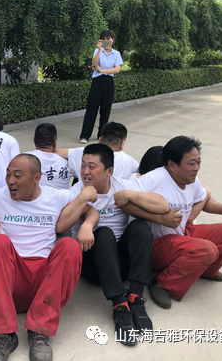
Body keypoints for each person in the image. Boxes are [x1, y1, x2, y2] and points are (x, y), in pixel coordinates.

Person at [0, 154, 99, 361]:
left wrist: (87, 227)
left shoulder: (55, 196)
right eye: (8, 174)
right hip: (11, 278)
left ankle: (39, 331)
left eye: (17, 176)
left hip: (45, 283)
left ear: (37, 178)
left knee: (69, 245)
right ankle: (4, 334)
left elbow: (91, 211)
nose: (10, 181)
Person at [122, 136, 222, 309]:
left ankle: (206, 270)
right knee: (206, 249)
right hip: (155, 247)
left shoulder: (190, 180)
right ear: (172, 165)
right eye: (191, 163)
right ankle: (162, 284)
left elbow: (202, 199)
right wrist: (159, 218)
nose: (196, 168)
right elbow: (123, 202)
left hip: (179, 236)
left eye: (198, 162)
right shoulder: (153, 180)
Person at [70, 144, 168, 345]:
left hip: (121, 265)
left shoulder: (122, 186)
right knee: (104, 234)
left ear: (109, 171)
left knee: (140, 227)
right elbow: (60, 223)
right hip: (93, 266)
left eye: (92, 166)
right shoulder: (76, 192)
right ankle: (119, 306)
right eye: (83, 165)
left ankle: (135, 297)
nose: (85, 171)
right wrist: (85, 220)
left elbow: (163, 204)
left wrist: (131, 196)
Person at [79, 30, 124, 144]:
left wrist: (103, 70)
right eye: (104, 39)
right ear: (101, 40)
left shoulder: (116, 54)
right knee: (92, 108)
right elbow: (94, 63)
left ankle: (102, 136)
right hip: (97, 81)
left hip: (109, 82)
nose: (107, 41)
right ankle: (85, 135)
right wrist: (99, 49)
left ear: (113, 40)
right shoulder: (97, 50)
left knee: (106, 110)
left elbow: (117, 69)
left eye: (109, 39)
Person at [57, 122, 138, 181]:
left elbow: (56, 152)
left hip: (84, 197)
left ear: (99, 140)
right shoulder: (131, 162)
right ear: (122, 144)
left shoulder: (84, 152)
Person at [25, 123, 75, 189]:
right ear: (55, 143)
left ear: (34, 140)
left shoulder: (23, 159)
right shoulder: (68, 162)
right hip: (62, 196)